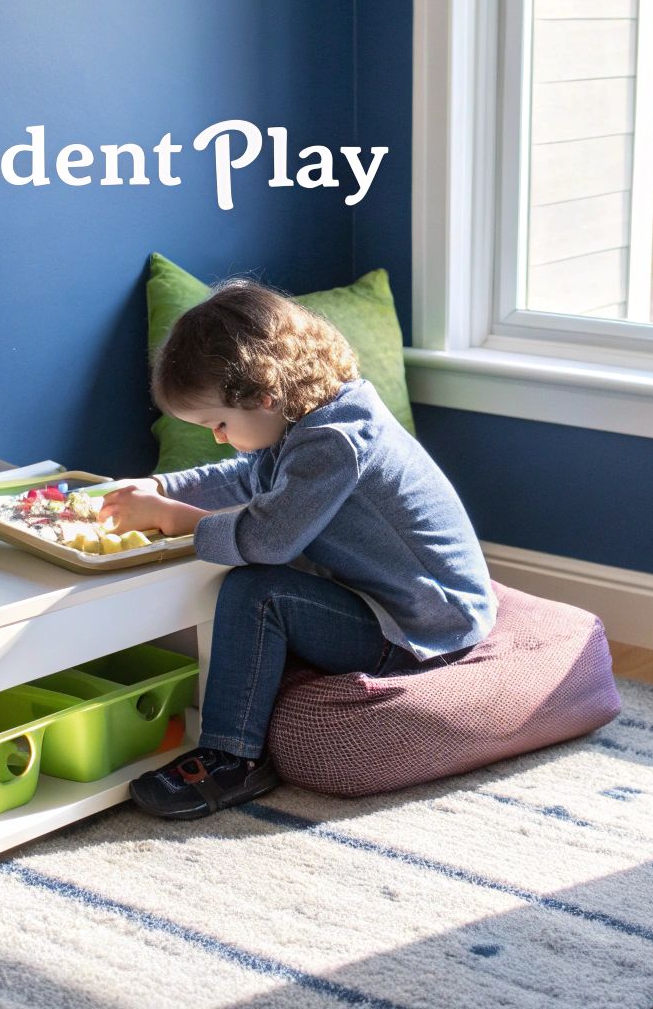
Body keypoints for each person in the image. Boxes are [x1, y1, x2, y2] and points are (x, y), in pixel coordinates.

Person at [97, 278, 496, 820]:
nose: (216, 436)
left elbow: (266, 541)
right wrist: (162, 488)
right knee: (241, 570)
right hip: (392, 600)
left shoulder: (334, 441)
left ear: (262, 395)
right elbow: (245, 476)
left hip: (424, 627)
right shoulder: (307, 413)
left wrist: (174, 520)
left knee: (258, 590)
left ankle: (232, 757)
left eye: (218, 424)